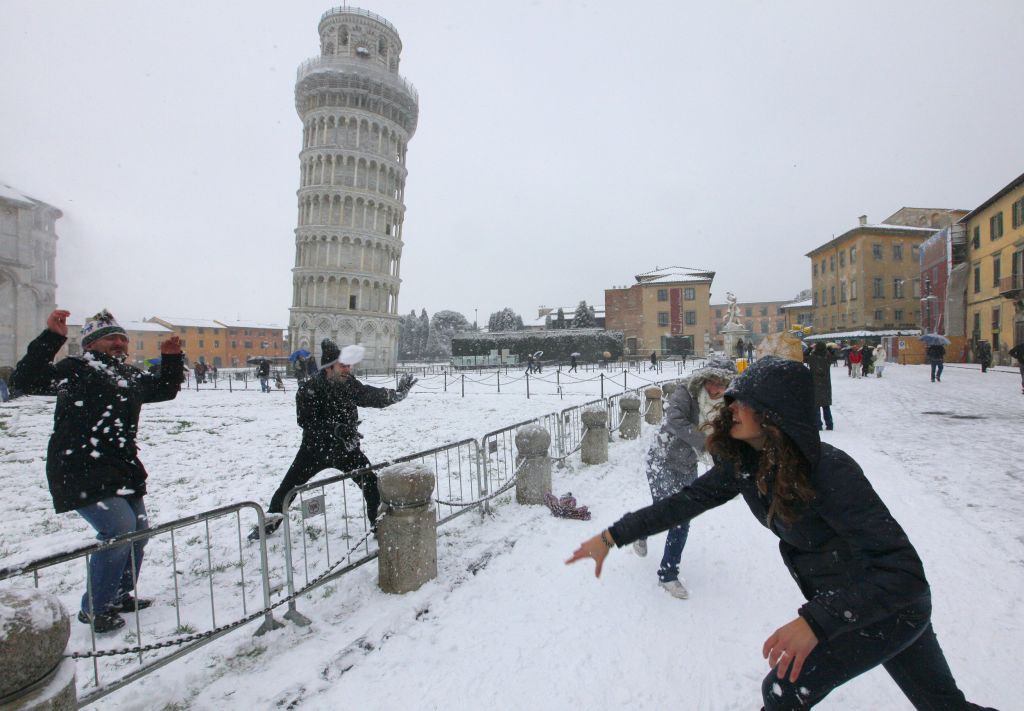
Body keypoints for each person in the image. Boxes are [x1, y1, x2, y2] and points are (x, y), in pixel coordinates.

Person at [566, 357, 998, 711]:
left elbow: (904, 573)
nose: (731, 407)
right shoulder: (745, 463)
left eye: (743, 401)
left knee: (783, 690)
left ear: (774, 411)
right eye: (731, 399)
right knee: (946, 707)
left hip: (885, 608)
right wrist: (612, 536)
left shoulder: (830, 471)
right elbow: (683, 502)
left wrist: (817, 621)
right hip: (857, 604)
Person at [11, 309, 183, 633]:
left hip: (122, 468)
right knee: (119, 528)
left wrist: (171, 360)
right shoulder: (75, 370)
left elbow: (164, 389)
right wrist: (52, 338)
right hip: (80, 467)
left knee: (139, 530)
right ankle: (95, 607)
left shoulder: (128, 375)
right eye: (109, 338)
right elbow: (25, 380)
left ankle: (119, 594)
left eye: (121, 338)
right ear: (90, 344)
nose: (118, 343)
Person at [249, 340, 417, 540]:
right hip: (314, 450)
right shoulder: (309, 389)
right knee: (287, 489)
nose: (348, 369)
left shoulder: (349, 384)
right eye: (343, 366)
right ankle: (268, 525)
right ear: (329, 367)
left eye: (349, 365)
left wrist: (396, 395)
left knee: (371, 485)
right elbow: (306, 421)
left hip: (346, 450)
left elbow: (370, 395)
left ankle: (378, 524)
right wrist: (336, 429)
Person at [632, 358, 735, 598]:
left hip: (688, 463)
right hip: (663, 458)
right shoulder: (686, 391)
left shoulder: (727, 405)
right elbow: (675, 420)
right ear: (704, 379)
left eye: (721, 384)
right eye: (711, 381)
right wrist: (707, 442)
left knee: (682, 516)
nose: (715, 388)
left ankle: (668, 574)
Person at [806, 342, 833, 431]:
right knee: (826, 406)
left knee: (816, 406)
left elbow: (804, 358)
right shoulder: (827, 357)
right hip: (825, 384)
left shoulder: (812, 357)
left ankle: (818, 425)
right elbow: (833, 357)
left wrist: (809, 349)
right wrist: (830, 350)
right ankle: (829, 424)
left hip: (815, 384)